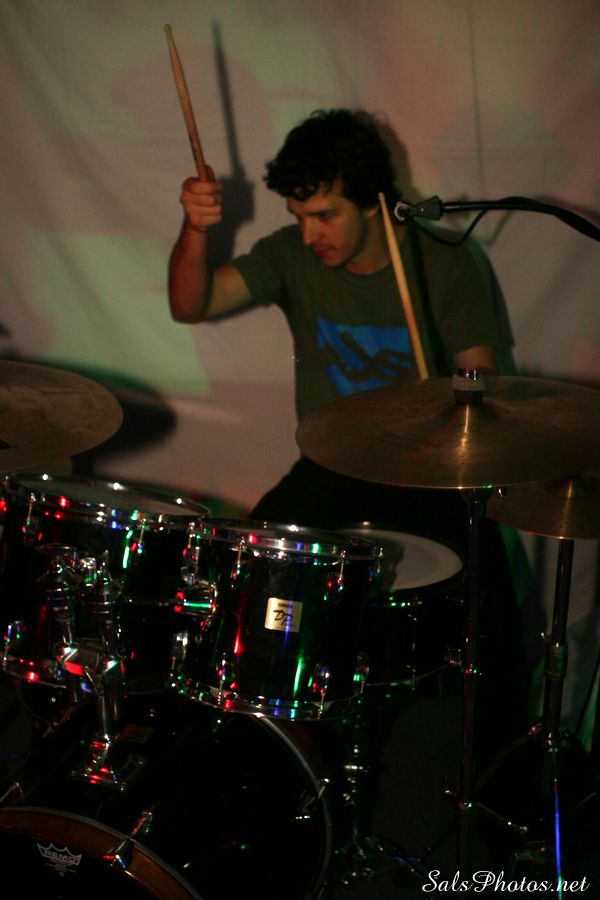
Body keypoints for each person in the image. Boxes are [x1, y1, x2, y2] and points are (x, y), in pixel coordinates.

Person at [168, 108, 527, 759]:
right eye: (298, 216)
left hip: (429, 474)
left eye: (324, 216)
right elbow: (190, 304)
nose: (308, 234)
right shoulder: (289, 255)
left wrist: (456, 417)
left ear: (373, 203)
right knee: (251, 571)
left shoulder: (443, 262)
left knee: (495, 629)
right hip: (331, 468)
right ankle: (256, 753)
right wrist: (196, 228)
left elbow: (485, 387)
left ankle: (504, 783)